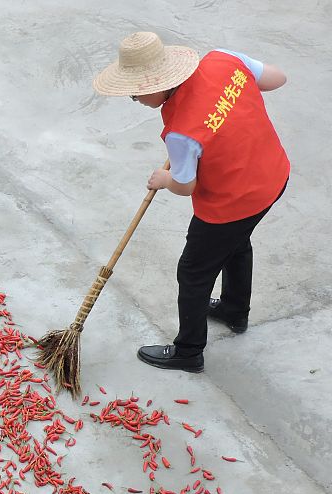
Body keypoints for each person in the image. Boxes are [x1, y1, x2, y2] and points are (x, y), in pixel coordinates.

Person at [93, 32, 289, 372]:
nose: (133, 98)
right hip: (272, 176)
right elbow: (276, 78)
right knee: (237, 243)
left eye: (135, 91)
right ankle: (234, 310)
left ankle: (188, 351)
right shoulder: (223, 59)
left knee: (193, 272)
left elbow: (185, 186)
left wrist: (163, 179)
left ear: (158, 84)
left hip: (232, 202)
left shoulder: (181, 132)